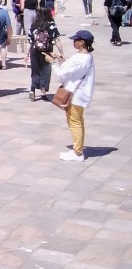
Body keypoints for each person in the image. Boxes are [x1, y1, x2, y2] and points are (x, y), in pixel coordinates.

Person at [45, 31, 95, 162]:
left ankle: (78, 152)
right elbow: (70, 69)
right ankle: (77, 148)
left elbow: (62, 74)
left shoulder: (80, 58)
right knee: (78, 121)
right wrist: (60, 60)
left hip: (75, 95)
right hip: (80, 94)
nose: (74, 42)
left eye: (76, 40)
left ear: (82, 42)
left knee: (74, 122)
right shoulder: (86, 56)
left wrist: (52, 63)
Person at [28, 8, 62, 101]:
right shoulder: (51, 25)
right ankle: (43, 93)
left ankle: (32, 90)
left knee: (35, 71)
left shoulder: (34, 25)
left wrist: (26, 54)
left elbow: (30, 40)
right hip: (47, 51)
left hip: (34, 50)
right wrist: (61, 53)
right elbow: (56, 40)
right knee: (45, 71)